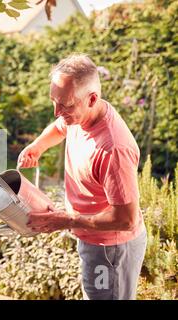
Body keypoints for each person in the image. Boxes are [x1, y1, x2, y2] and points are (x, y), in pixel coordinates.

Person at [18, 54, 147, 300]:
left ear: (92, 99)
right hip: (93, 239)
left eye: (65, 105)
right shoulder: (79, 113)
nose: (57, 111)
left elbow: (126, 219)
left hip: (111, 249)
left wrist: (66, 220)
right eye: (53, 101)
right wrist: (37, 146)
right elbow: (59, 127)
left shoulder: (113, 149)